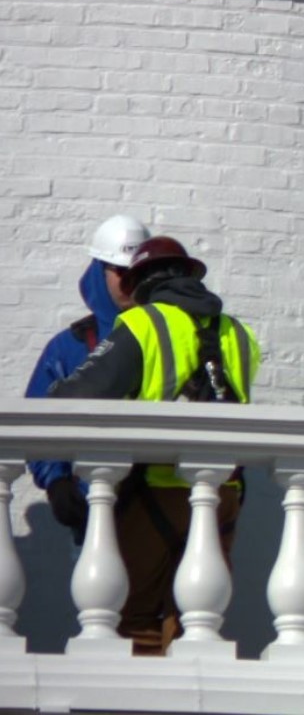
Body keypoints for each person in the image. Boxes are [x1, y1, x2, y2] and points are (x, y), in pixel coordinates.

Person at [49, 236, 260, 655]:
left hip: (154, 491)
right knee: (195, 625)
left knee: (131, 620)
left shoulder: (144, 324)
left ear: (144, 281)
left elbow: (83, 393)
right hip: (222, 495)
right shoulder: (238, 332)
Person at [25, 214, 150, 546]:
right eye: (120, 272)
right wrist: (57, 482)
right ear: (100, 272)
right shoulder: (71, 346)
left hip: (158, 516)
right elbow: (36, 423)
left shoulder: (172, 340)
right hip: (92, 517)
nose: (129, 283)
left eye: (138, 274)